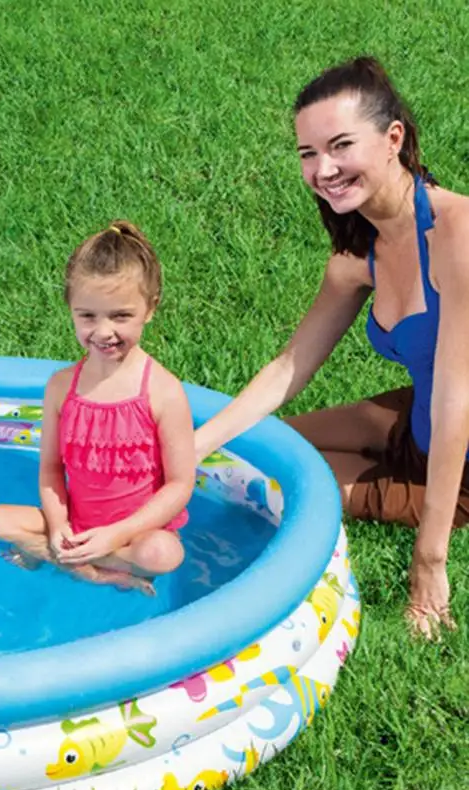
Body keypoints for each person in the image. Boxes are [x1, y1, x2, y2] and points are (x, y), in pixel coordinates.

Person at [193, 56, 469, 639]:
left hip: (460, 458)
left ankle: (405, 497)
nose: (324, 169)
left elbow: (455, 404)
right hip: (411, 416)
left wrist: (429, 561)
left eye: (341, 146)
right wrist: (195, 443)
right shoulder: (357, 256)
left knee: (278, 488)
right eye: (308, 154)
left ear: (394, 138)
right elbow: (289, 366)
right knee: (258, 452)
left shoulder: (459, 237)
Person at [0, 220, 195, 593]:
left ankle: (70, 560)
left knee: (163, 553)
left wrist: (116, 535)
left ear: (151, 308)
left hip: (135, 536)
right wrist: (59, 524)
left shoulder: (163, 392)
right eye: (87, 316)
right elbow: (50, 469)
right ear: (70, 308)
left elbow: (179, 485)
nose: (103, 331)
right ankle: (91, 566)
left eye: (121, 316)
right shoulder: (62, 387)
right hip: (77, 524)